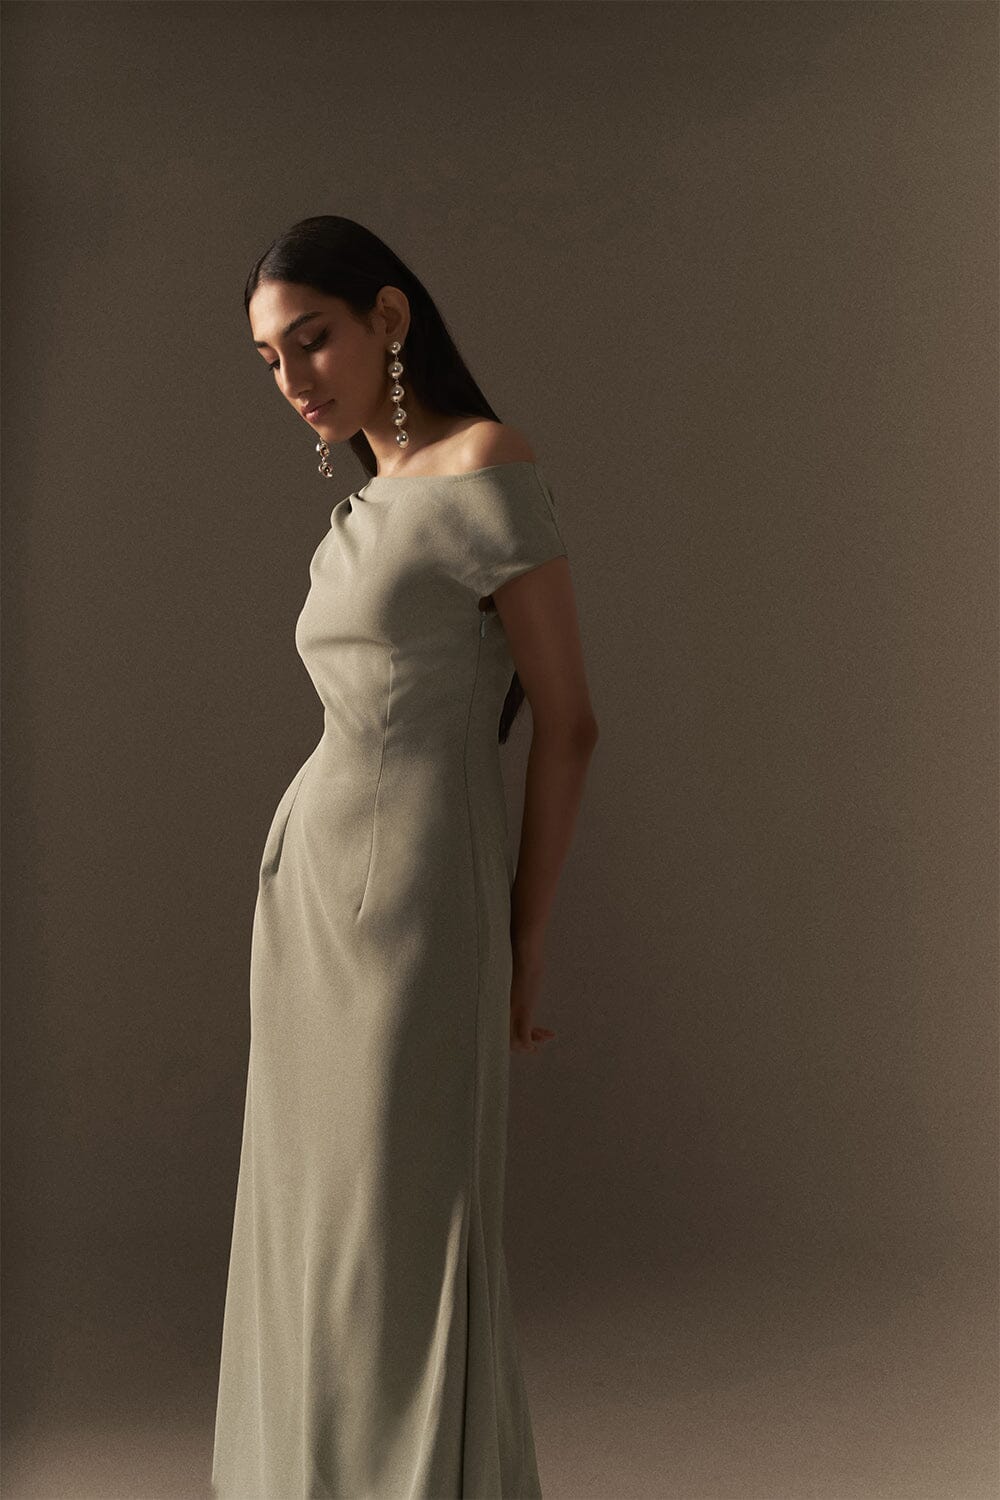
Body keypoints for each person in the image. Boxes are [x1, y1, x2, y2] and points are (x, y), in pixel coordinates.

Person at [211, 215, 599, 1500]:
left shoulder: (488, 464)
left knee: (397, 1228)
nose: (291, 378)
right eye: (268, 360)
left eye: (310, 338)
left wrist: (522, 938)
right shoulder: (362, 504)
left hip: (421, 897)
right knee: (313, 1228)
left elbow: (570, 721)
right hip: (310, 901)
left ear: (388, 316)